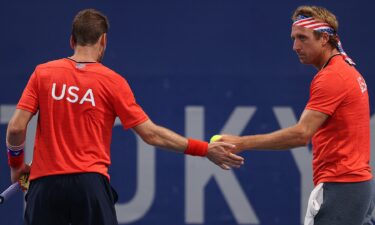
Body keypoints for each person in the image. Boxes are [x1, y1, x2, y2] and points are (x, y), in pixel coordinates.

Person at [5, 8, 244, 225]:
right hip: (90, 186)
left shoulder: (43, 74)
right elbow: (151, 134)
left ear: (72, 40)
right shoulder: (113, 81)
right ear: (103, 41)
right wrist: (204, 149)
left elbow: (16, 128)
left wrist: (17, 166)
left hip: (45, 186)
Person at [219, 5, 374, 225]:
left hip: (342, 187)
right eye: (293, 38)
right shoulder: (345, 70)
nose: (295, 46)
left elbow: (301, 135)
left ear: (324, 38)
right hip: (356, 187)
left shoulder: (332, 77)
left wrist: (241, 142)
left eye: (303, 38)